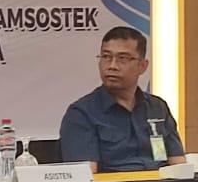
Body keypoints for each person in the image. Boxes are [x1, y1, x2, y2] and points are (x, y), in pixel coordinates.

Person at [59, 26, 186, 172]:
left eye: (122, 59)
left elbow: (179, 166)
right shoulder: (82, 114)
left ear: (142, 66)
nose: (112, 66)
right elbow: (86, 178)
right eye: (106, 57)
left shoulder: (158, 108)